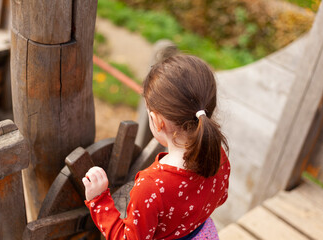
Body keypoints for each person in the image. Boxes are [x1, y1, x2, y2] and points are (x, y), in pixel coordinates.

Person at [83, 53, 230, 240]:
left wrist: (99, 200)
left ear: (156, 121)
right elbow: (221, 197)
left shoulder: (151, 187)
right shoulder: (217, 153)